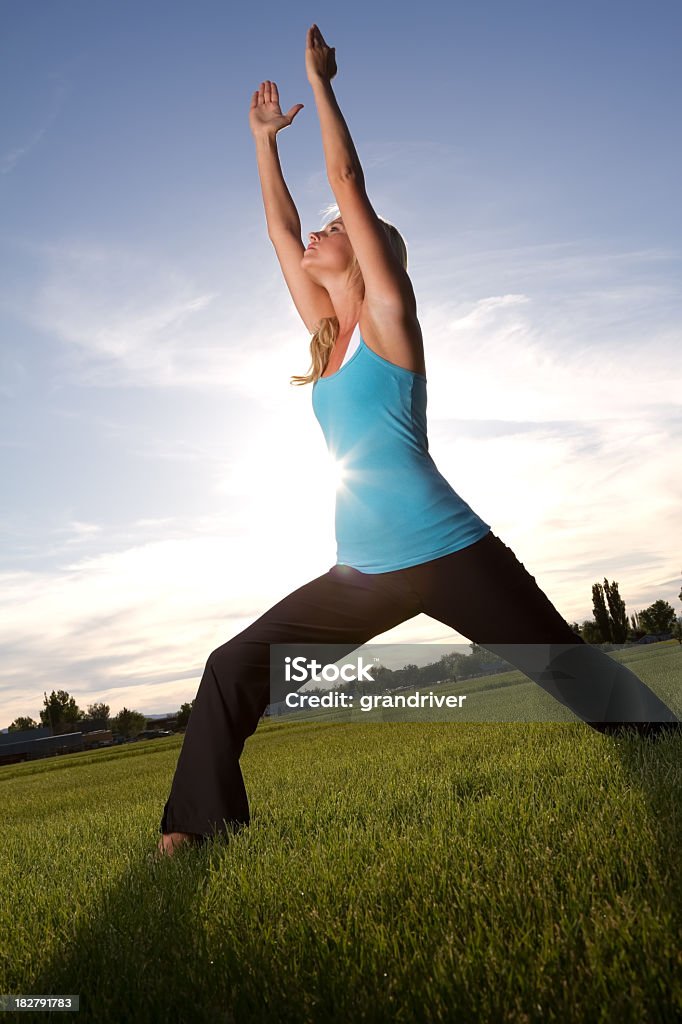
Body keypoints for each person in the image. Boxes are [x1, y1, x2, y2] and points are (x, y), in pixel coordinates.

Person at [156, 25, 679, 857]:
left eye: (338, 231)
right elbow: (279, 234)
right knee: (231, 668)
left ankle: (665, 745)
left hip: (449, 549)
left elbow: (345, 179)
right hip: (362, 574)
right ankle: (196, 830)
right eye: (322, 231)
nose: (321, 234)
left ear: (370, 258)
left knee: (571, 671)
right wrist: (260, 144)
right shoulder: (328, 340)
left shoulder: (390, 322)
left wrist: (321, 84)